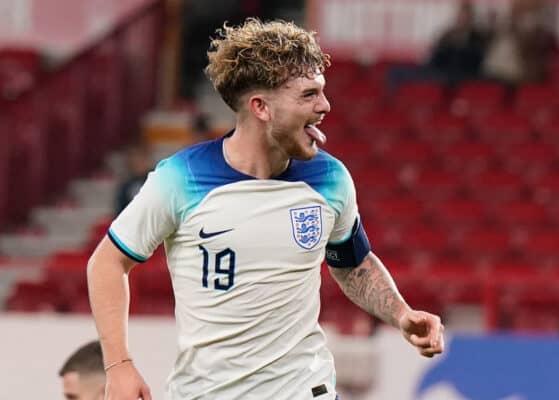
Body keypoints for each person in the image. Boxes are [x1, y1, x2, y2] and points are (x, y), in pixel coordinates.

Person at [87, 18, 444, 400]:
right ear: (261, 107)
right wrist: (119, 365)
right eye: (308, 95)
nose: (325, 105)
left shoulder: (330, 178)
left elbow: (352, 263)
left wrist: (401, 313)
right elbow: (107, 264)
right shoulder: (180, 178)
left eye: (321, 92)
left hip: (306, 390)